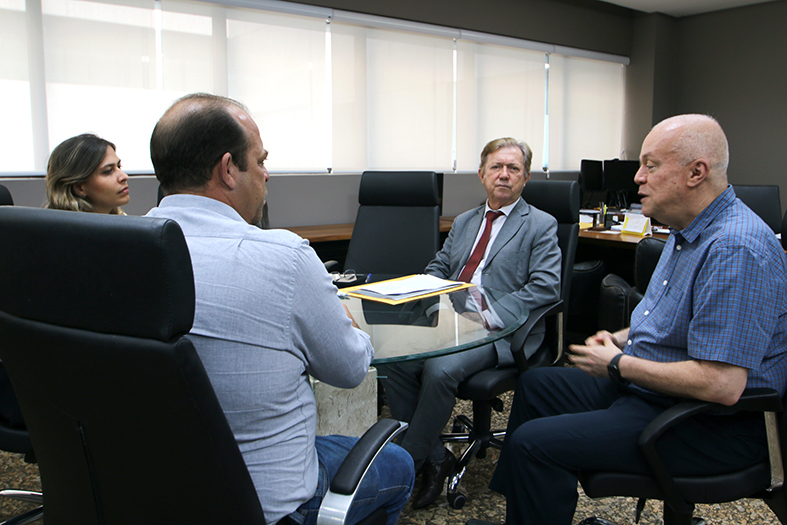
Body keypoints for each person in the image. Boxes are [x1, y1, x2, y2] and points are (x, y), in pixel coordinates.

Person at [477, 114, 787, 525]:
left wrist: (619, 365)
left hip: (712, 425)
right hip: (659, 393)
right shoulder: (685, 230)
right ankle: (527, 510)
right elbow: (671, 317)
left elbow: (722, 384)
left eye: (651, 165)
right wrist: (623, 337)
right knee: (537, 385)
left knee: (536, 444)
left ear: (697, 172)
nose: (638, 177)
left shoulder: (735, 249)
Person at [145, 93, 413, 525]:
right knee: (398, 464)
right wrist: (345, 322)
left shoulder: (121, 251)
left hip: (153, 488)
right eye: (261, 160)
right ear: (228, 169)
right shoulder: (284, 258)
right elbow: (348, 370)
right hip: (270, 503)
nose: (267, 175)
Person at [377, 137, 562, 509]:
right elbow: (440, 268)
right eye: (496, 167)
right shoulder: (464, 222)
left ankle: (407, 464)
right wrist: (424, 293)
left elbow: (546, 287)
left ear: (525, 177)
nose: (504, 175)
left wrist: (485, 313)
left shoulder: (540, 225)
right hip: (449, 321)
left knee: (440, 370)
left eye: (513, 168)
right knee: (394, 360)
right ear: (482, 174)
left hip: (500, 329)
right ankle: (437, 456)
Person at [45, 133, 129, 214]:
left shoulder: (122, 223)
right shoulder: (62, 228)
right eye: (108, 171)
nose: (124, 176)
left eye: (119, 166)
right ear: (78, 187)